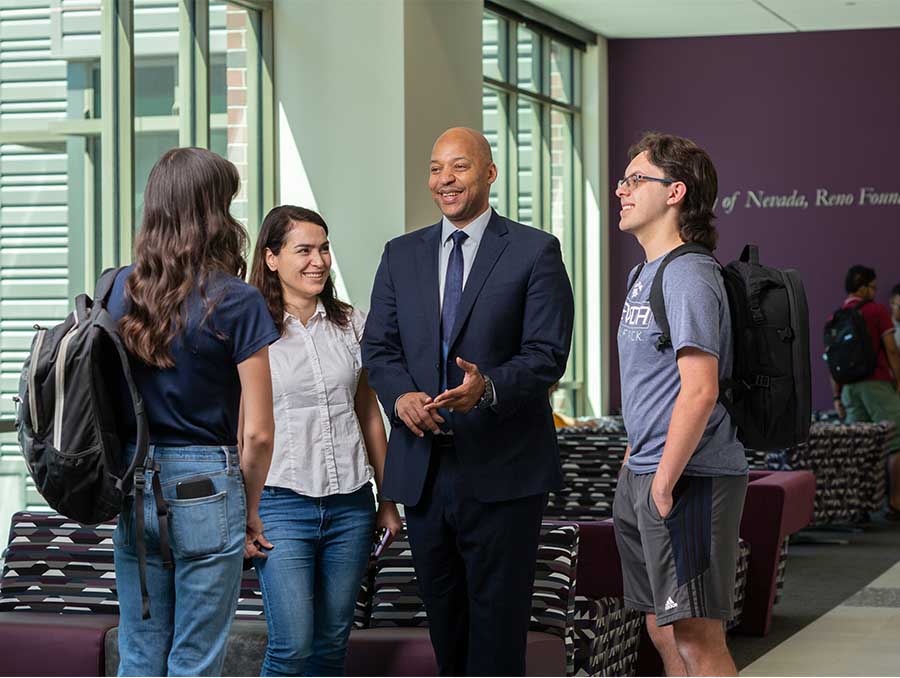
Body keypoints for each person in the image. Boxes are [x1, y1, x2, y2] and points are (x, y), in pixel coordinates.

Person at [361, 127, 574, 675]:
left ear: (489, 174)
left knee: (498, 632)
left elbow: (547, 353)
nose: (444, 180)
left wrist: (490, 387)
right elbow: (379, 348)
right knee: (445, 627)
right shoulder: (401, 254)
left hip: (504, 470)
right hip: (425, 472)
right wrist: (400, 394)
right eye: (435, 169)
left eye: (458, 167)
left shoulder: (535, 251)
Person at [108, 147, 279, 676]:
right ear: (213, 211)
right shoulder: (237, 299)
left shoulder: (119, 288)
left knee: (140, 651)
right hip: (207, 483)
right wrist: (249, 511)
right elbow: (258, 434)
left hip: (135, 484)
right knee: (195, 660)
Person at [612, 132, 748, 676]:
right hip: (645, 472)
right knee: (661, 628)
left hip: (690, 477)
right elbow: (652, 381)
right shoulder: (641, 273)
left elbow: (700, 388)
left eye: (635, 180)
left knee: (696, 636)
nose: (621, 190)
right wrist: (633, 463)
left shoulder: (689, 272)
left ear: (675, 193)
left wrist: (664, 482)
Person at [247, 205, 403, 676]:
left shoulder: (352, 324)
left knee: (332, 646)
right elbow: (239, 426)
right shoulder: (251, 330)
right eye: (304, 250)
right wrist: (245, 507)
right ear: (272, 258)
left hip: (350, 506)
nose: (319, 260)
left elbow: (369, 415)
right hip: (279, 503)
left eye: (324, 248)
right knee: (292, 647)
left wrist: (388, 500)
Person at [831, 266, 900, 518]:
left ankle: (857, 507)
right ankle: (895, 502)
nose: (875, 291)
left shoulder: (836, 317)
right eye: (873, 286)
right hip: (877, 385)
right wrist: (899, 379)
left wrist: (837, 397)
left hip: (849, 389)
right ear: (863, 287)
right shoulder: (877, 311)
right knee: (896, 442)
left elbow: (833, 362)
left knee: (857, 448)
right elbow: (891, 349)